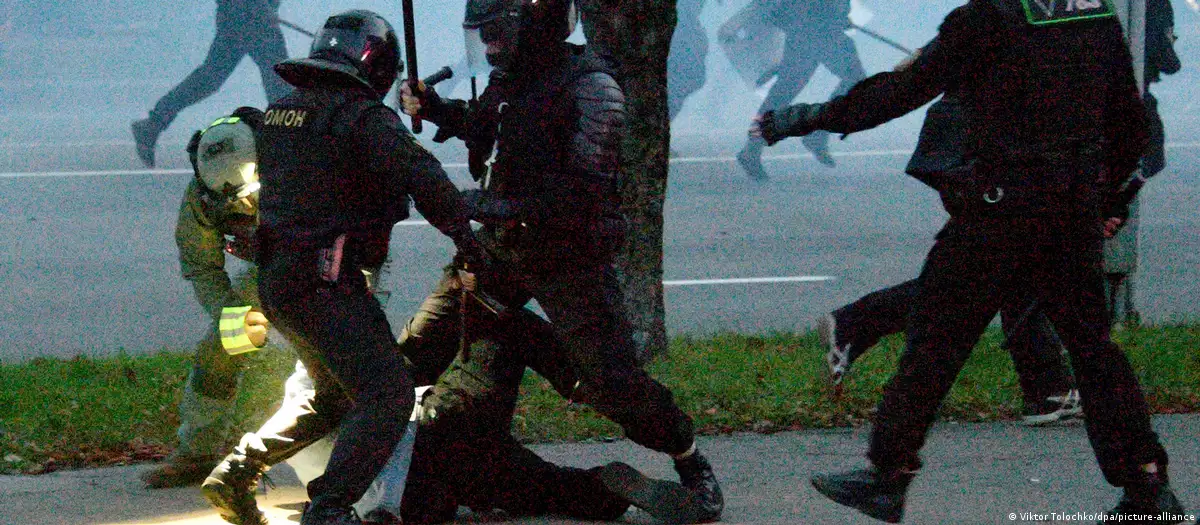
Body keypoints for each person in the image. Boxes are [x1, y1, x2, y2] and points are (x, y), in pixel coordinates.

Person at [753, 1, 1187, 522]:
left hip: (999, 210)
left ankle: (887, 474)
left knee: (934, 340)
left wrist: (800, 119)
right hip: (1070, 212)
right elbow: (1130, 121)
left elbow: (899, 91)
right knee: (1094, 352)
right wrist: (1108, 198)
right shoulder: (1093, 12)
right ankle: (1147, 484)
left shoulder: (987, 17)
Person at [400, 0, 723, 520]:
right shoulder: (510, 79)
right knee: (416, 349)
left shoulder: (593, 90)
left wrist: (496, 205)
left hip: (569, 254)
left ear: (537, 24)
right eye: (483, 34)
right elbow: (488, 128)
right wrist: (435, 108)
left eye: (498, 32)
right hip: (500, 247)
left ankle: (690, 461)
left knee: (613, 382)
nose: (489, 45)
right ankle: (401, 463)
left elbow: (581, 195)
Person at [252, 10, 489, 525]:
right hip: (324, 283)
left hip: (276, 282)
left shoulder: (281, 112)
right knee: (387, 393)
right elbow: (423, 177)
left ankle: (238, 470)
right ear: (379, 67)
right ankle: (329, 509)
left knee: (337, 395)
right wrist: (466, 237)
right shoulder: (361, 117)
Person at [202, 283, 705, 525]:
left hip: (431, 493)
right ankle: (586, 386)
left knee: (541, 486)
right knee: (498, 321)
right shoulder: (335, 374)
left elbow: (305, 418)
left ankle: (602, 486)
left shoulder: (304, 406)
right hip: (443, 429)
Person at [816, 78, 1079, 426]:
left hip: (980, 161)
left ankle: (1048, 390)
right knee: (985, 277)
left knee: (1005, 274)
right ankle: (1047, 390)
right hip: (984, 165)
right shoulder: (1006, 56)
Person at [141, 108, 274, 489]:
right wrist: (229, 314)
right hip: (269, 270)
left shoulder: (301, 164)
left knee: (337, 361)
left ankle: (354, 460)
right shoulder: (203, 194)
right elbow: (201, 265)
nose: (243, 203)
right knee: (222, 347)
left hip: (336, 267)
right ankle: (197, 453)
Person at [131, 0, 290, 168]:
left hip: (244, 14)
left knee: (210, 78)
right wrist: (261, 7)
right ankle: (287, 142)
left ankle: (153, 124)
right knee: (279, 81)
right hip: (250, 15)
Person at [1103, 0, 1182, 325]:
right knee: (1130, 177)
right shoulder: (1150, 4)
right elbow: (1168, 60)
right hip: (1127, 117)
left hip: (1071, 123)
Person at [736, 0, 865, 181]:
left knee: (784, 92)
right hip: (814, 29)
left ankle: (753, 149)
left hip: (815, 28)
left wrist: (836, 16)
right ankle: (755, 148)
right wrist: (832, 16)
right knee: (854, 80)